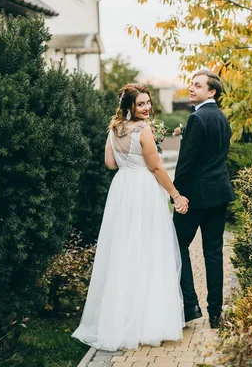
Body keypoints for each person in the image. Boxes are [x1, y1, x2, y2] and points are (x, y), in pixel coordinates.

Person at [72, 84, 190, 351]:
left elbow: (110, 164)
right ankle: (146, 322)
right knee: (148, 250)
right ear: (130, 107)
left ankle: (119, 320)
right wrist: (176, 195)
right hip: (144, 191)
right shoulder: (144, 130)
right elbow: (156, 167)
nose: (147, 107)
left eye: (148, 103)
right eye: (141, 104)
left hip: (122, 190)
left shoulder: (115, 129)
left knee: (123, 251)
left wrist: (129, 159)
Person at [173, 70, 235, 329]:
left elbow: (186, 164)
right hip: (219, 194)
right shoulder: (222, 118)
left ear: (212, 92)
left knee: (175, 244)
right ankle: (216, 314)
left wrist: (177, 194)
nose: (191, 87)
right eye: (190, 83)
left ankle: (191, 304)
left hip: (195, 197)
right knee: (213, 253)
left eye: (197, 85)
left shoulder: (197, 119)